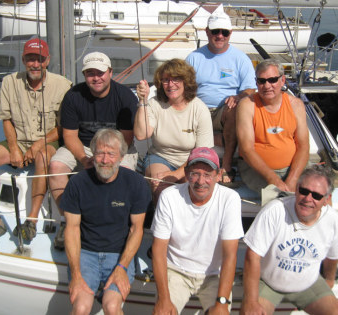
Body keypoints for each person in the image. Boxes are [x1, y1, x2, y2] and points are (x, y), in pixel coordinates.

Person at [0, 38, 72, 254]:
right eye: (30, 58)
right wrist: (14, 148)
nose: (34, 64)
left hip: (48, 139)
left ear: (47, 60)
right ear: (23, 60)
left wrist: (38, 144)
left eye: (39, 59)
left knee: (44, 158)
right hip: (18, 139)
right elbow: (6, 119)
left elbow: (63, 127)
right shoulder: (10, 82)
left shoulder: (62, 85)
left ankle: (31, 221)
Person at [48, 51, 139, 250]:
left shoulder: (124, 97)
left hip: (116, 146)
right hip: (83, 146)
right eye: (90, 73)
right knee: (55, 166)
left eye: (100, 72)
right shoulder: (73, 96)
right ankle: (67, 219)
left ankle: (120, 225)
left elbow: (126, 138)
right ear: (84, 75)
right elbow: (70, 135)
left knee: (123, 175)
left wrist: (104, 157)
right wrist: (84, 157)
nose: (96, 78)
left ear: (110, 72)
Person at [62, 128, 151, 315]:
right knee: (80, 307)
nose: (105, 160)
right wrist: (76, 274)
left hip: (118, 254)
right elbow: (71, 228)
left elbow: (137, 230)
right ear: (93, 155)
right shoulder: (77, 183)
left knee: (111, 306)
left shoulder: (136, 184)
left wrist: (122, 267)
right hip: (86, 253)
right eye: (100, 153)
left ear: (121, 157)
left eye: (111, 154)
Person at [240, 165, 338, 315]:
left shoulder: (332, 219)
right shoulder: (275, 210)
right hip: (268, 282)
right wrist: (251, 301)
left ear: (326, 199)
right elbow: (252, 256)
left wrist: (329, 280)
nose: (308, 199)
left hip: (309, 283)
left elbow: (333, 256)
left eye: (316, 195)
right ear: (296, 189)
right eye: (304, 191)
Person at [151, 147, 244, 314]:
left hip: (214, 275)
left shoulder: (230, 199)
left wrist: (222, 303)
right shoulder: (169, 196)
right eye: (195, 173)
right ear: (186, 174)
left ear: (218, 175)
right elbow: (159, 250)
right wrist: (164, 299)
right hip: (175, 271)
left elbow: (230, 255)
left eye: (208, 174)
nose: (201, 181)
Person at [186, 10, 256, 183]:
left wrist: (238, 96)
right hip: (198, 109)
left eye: (224, 32)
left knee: (234, 107)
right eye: (215, 31)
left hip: (224, 111)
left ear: (230, 34)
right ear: (207, 32)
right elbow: (184, 87)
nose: (220, 36)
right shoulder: (194, 57)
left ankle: (225, 165)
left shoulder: (241, 59)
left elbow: (250, 89)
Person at [135, 59, 213, 201]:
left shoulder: (200, 109)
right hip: (160, 157)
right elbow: (141, 135)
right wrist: (142, 101)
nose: (170, 85)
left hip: (191, 161)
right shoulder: (154, 104)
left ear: (186, 82)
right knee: (160, 188)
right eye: (165, 80)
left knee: (191, 190)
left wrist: (176, 174)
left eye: (176, 79)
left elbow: (202, 154)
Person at [236, 58, 309, 197]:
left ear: (282, 80)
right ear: (256, 82)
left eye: (272, 80)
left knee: (321, 188)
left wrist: (292, 180)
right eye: (261, 81)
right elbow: (246, 150)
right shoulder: (247, 105)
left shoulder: (296, 105)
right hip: (256, 171)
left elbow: (303, 146)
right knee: (279, 199)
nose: (267, 85)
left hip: (292, 169)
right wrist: (273, 180)